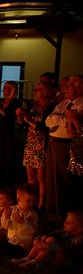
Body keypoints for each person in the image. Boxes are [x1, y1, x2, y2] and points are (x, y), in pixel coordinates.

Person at [45, 75, 83, 224]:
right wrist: (62, 118)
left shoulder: (81, 105)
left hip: (66, 145)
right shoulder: (65, 103)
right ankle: (53, 210)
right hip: (53, 142)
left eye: (69, 86)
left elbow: (72, 127)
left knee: (63, 181)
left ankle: (65, 216)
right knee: (52, 179)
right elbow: (48, 120)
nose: (65, 89)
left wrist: (61, 118)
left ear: (80, 88)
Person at [16, 82, 55, 209]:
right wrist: (20, 116)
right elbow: (23, 123)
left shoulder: (51, 107)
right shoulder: (34, 106)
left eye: (38, 89)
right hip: (31, 141)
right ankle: (29, 200)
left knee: (41, 176)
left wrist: (29, 120)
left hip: (41, 141)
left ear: (45, 91)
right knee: (31, 175)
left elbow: (44, 127)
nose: (35, 91)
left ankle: (41, 203)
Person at [11, 210, 83, 268]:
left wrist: (47, 246)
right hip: (56, 253)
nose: (65, 222)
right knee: (46, 238)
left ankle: (34, 262)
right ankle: (27, 259)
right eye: (66, 220)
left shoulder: (79, 240)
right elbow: (50, 233)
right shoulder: (66, 232)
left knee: (50, 241)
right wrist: (38, 238)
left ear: (80, 229)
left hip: (69, 261)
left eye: (69, 223)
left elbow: (65, 248)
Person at [0, 183, 38, 256]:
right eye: (29, 201)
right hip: (11, 240)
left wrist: (24, 222)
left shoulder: (32, 214)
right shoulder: (11, 209)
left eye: (33, 201)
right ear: (19, 199)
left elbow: (33, 230)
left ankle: (21, 254)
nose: (32, 204)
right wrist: (6, 217)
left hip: (22, 242)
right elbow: (6, 226)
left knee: (18, 252)